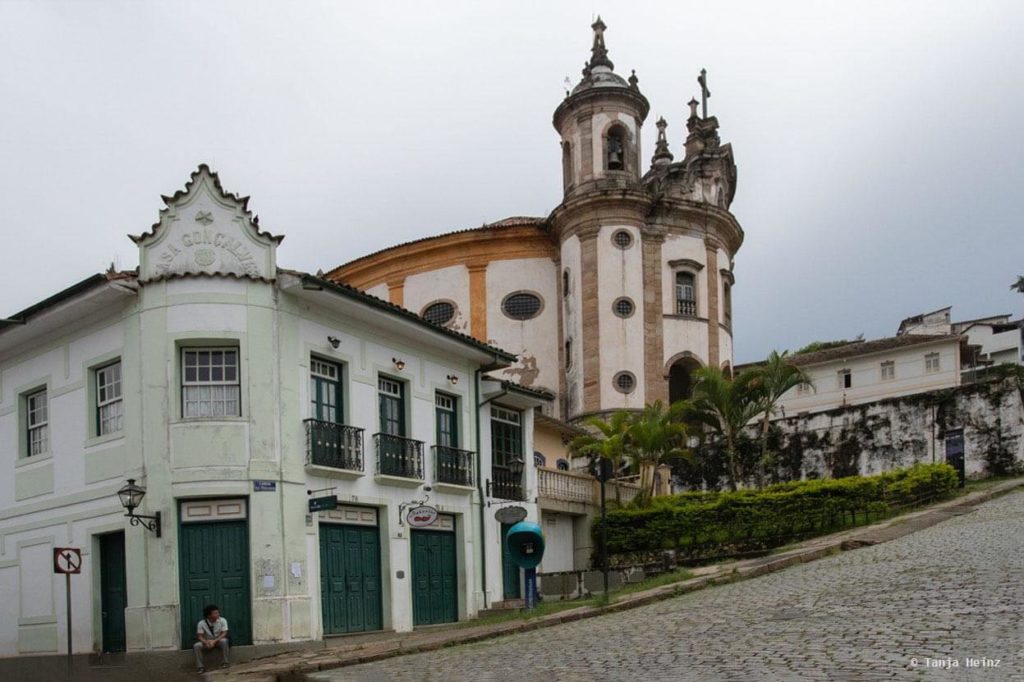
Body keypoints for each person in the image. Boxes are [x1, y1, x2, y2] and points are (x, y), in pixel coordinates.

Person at [193, 604, 230, 673]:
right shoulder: (201, 623)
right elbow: (199, 636)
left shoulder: (223, 620)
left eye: (218, 612)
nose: (218, 614)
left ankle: (226, 662)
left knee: (224, 641)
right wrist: (206, 642)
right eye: (215, 613)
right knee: (196, 646)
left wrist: (214, 641)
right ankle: (200, 667)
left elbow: (224, 633)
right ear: (209, 615)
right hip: (207, 642)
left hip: (218, 640)